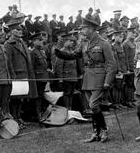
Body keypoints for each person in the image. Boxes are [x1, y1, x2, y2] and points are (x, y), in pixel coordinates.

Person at [54, 15, 116, 143]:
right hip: (88, 76)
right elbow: (75, 55)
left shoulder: (104, 44)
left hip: (100, 77)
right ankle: (96, 132)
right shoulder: (84, 43)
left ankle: (104, 129)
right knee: (93, 106)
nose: (82, 31)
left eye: (84, 28)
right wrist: (60, 54)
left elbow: (111, 65)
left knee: (93, 104)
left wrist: (107, 81)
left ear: (92, 29)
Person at [4, 17, 38, 127]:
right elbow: (8, 63)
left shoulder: (22, 42)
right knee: (15, 100)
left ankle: (19, 117)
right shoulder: (9, 45)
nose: (20, 31)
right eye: (17, 30)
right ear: (11, 31)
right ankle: (15, 119)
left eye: (21, 30)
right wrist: (13, 77)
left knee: (21, 99)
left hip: (24, 74)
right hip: (16, 75)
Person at [29, 32, 51, 122]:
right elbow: (31, 68)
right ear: (34, 42)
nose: (42, 41)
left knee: (41, 96)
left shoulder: (41, 51)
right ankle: (37, 115)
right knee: (37, 97)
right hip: (37, 79)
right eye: (40, 40)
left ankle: (40, 113)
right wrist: (33, 80)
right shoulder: (33, 53)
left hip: (43, 78)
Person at [0, 27, 14, 120]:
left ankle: (3, 124)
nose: (1, 33)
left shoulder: (2, 46)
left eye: (1, 31)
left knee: (5, 103)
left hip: (6, 80)